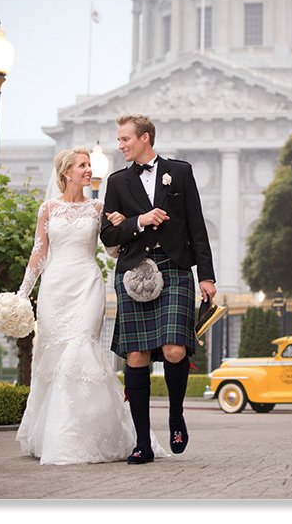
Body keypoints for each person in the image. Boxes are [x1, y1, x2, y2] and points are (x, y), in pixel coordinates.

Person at [15, 147, 167, 465]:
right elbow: (38, 253)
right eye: (82, 165)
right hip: (55, 288)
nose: (88, 170)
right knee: (54, 356)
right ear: (67, 172)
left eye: (88, 165)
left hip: (87, 285)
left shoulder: (98, 208)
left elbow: (112, 250)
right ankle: (54, 434)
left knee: (81, 350)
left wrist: (122, 224)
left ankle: (79, 434)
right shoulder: (48, 208)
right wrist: (21, 294)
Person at [100, 114, 217, 465]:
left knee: (175, 350)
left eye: (125, 139)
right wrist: (140, 220)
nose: (120, 145)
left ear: (145, 138)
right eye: (119, 140)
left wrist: (206, 276)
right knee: (135, 356)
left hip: (176, 268)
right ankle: (142, 443)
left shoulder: (179, 172)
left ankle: (176, 415)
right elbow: (107, 236)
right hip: (135, 273)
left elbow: (197, 225)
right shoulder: (117, 181)